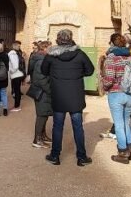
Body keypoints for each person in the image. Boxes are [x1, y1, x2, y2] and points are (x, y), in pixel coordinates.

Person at [41, 29, 95, 166]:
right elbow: (90, 70)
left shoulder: (51, 55)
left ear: (58, 39)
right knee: (78, 126)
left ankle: (55, 156)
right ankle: (81, 157)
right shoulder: (80, 54)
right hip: (75, 96)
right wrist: (77, 74)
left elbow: (43, 71)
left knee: (57, 126)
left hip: (58, 95)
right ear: (71, 39)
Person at [101, 34, 131, 164]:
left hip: (116, 93)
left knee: (118, 124)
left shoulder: (111, 58)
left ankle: (123, 153)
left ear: (112, 43)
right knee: (126, 121)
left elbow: (109, 78)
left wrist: (104, 86)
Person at [30, 41, 53, 148]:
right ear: (44, 48)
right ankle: (37, 140)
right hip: (42, 92)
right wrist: (50, 90)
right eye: (50, 47)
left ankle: (42, 136)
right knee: (41, 115)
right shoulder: (41, 60)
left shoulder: (42, 58)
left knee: (44, 114)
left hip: (43, 91)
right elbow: (41, 79)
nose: (52, 49)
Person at [8, 41, 25, 112]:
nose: (19, 47)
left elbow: (15, 66)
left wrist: (11, 71)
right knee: (17, 91)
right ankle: (16, 105)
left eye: (19, 46)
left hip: (16, 75)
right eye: (18, 46)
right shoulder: (16, 53)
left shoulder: (12, 53)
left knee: (17, 91)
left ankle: (17, 107)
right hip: (19, 74)